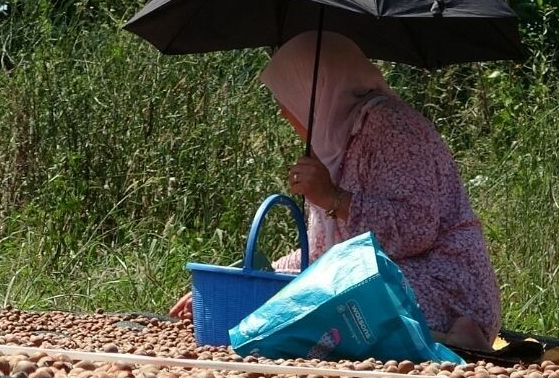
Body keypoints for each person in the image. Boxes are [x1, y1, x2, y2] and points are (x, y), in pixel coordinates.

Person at [170, 30, 501, 350]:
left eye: (288, 99)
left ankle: (455, 334)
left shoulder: (394, 128)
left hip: (441, 282)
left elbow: (417, 228)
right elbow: (320, 255)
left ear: (319, 92)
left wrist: (334, 198)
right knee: (302, 302)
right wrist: (244, 284)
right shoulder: (334, 145)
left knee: (336, 303)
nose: (284, 112)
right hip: (368, 276)